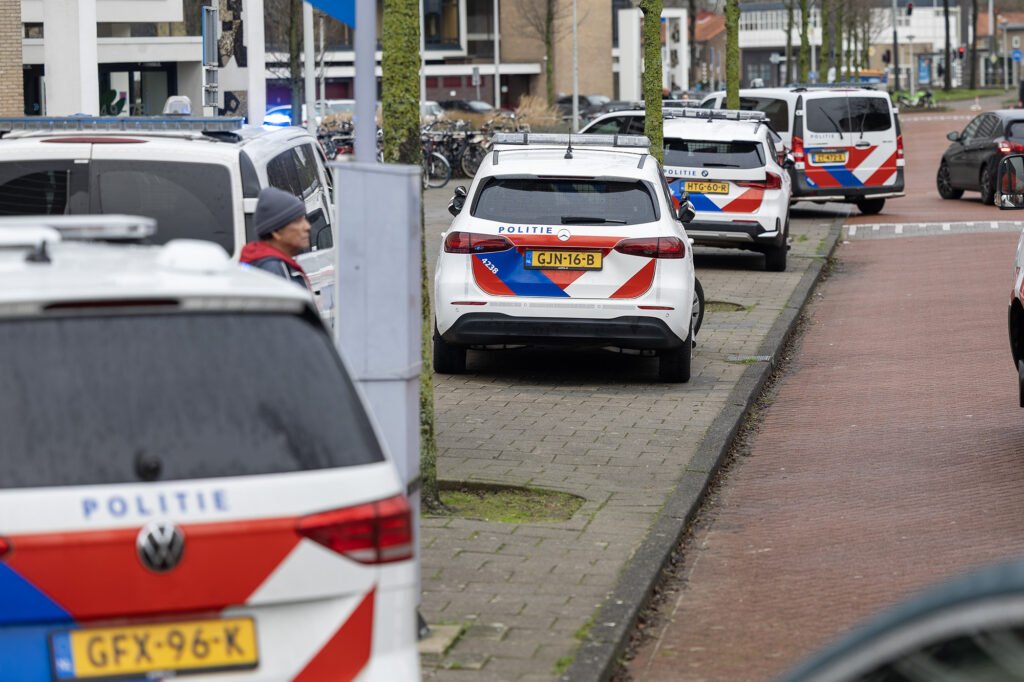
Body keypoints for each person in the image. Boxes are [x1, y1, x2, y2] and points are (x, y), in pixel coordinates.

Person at [240, 187, 312, 290]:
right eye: (297, 221)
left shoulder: (266, 264)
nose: (307, 227)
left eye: (304, 220)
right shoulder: (272, 269)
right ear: (276, 232)